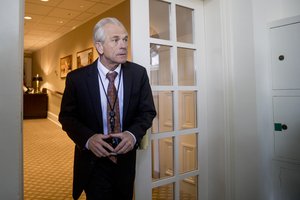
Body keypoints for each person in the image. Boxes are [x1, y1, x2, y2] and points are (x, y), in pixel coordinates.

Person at [59, 17, 156, 200]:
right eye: (116, 39)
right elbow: (67, 117)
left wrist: (132, 134)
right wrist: (88, 139)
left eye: (125, 39)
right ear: (100, 47)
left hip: (125, 160)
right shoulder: (77, 79)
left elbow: (147, 111)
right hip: (92, 162)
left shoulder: (138, 74)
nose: (123, 45)